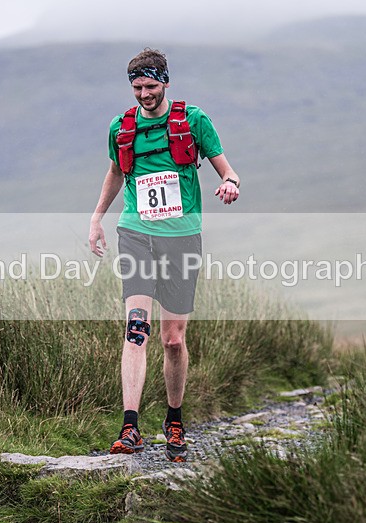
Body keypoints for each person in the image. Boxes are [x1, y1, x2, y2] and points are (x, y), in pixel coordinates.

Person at [88, 48, 240, 463]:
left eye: (151, 86)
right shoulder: (121, 127)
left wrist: (230, 181)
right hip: (136, 232)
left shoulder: (193, 120)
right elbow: (116, 172)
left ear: (166, 82)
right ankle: (130, 426)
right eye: (137, 87)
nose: (144, 95)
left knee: (173, 339)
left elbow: (224, 167)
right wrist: (97, 218)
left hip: (182, 237)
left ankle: (174, 418)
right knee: (137, 329)